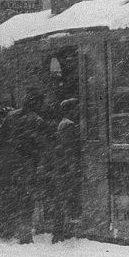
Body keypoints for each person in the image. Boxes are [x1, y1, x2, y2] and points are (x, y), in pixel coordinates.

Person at [0, 90, 48, 243]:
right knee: (27, 199)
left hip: (9, 165)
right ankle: (24, 234)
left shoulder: (10, 117)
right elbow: (42, 146)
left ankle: (9, 230)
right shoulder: (37, 120)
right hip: (27, 165)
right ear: (36, 103)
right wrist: (40, 164)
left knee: (12, 197)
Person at [47, 98, 82, 243]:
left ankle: (59, 231)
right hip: (65, 168)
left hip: (61, 167)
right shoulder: (69, 125)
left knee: (61, 200)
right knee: (63, 200)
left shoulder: (63, 124)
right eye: (75, 108)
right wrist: (72, 166)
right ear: (70, 110)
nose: (78, 111)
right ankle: (59, 232)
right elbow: (68, 148)